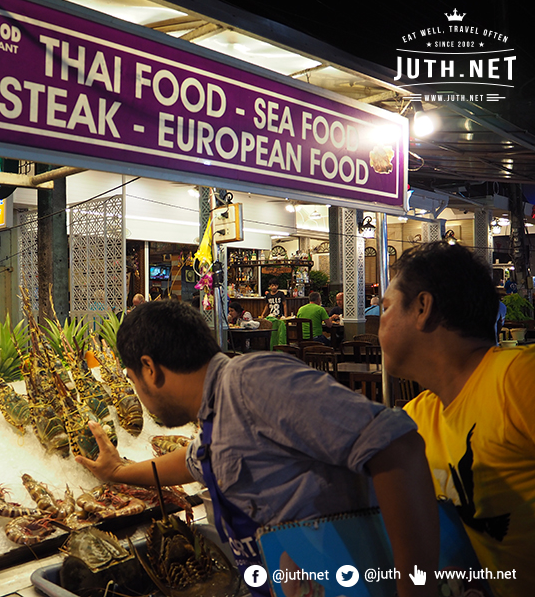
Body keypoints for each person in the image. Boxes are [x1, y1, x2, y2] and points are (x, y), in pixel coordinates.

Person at [76, 300, 438, 597]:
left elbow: (396, 445)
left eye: (132, 381)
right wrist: (118, 471)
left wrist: (416, 587)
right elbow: (195, 461)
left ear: (150, 369)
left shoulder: (253, 381)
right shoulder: (218, 412)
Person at [380, 241, 535, 597]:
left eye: (386, 307)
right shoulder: (416, 418)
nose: (379, 319)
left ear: (422, 307)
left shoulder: (517, 379)